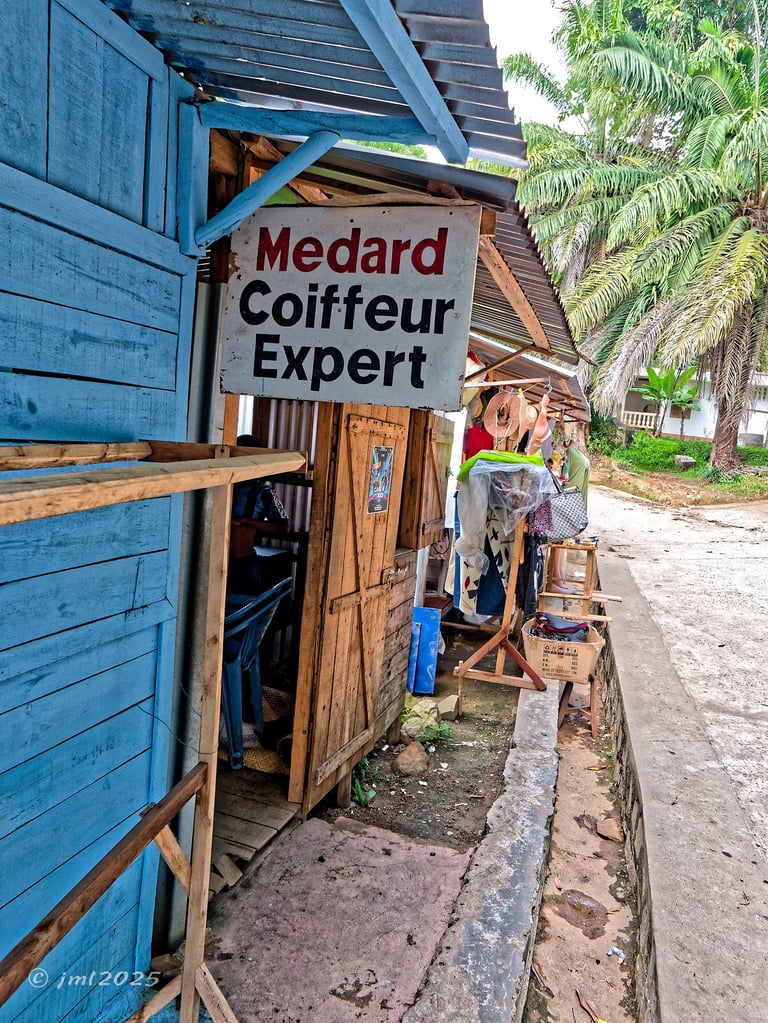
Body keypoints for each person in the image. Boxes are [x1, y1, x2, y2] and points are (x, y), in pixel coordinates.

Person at [228, 434, 290, 595]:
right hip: (213, 562)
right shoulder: (221, 484)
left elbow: (284, 527)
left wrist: (246, 522)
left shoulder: (265, 491)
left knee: (245, 606)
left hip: (243, 565)